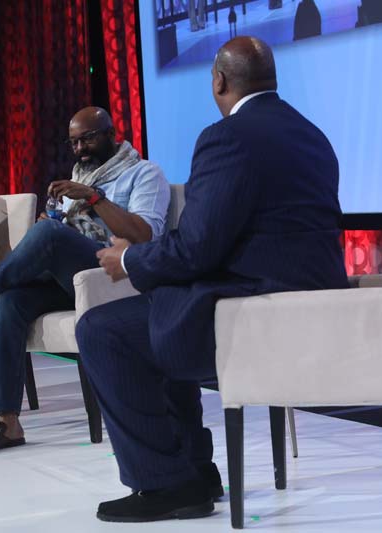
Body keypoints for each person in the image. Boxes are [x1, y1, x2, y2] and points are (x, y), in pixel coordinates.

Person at [75, 36, 349, 522]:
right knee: (161, 308)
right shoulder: (312, 134)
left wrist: (131, 260)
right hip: (311, 307)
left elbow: (197, 248)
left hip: (258, 310)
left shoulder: (228, 137)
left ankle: (166, 483)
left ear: (218, 81)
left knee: (102, 330)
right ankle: (195, 472)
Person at [0, 107, 171, 454]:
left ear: (112, 135)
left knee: (48, 235)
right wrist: (54, 222)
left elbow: (144, 236)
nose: (79, 149)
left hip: (114, 275)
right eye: (73, 142)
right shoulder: (77, 178)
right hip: (71, 280)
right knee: (10, 300)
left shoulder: (144, 173)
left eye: (87, 139)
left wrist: (93, 198)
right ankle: (6, 423)